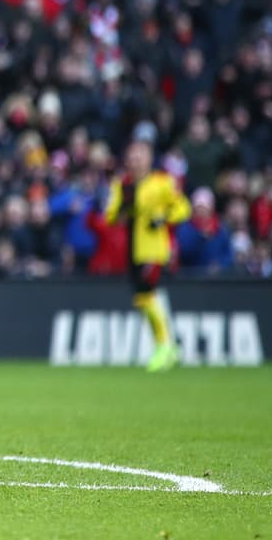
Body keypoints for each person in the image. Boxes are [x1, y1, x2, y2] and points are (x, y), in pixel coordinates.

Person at [103, 139, 191, 372]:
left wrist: (163, 218)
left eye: (140, 155)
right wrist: (122, 208)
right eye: (132, 156)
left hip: (154, 250)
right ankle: (167, 347)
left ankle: (165, 346)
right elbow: (110, 217)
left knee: (147, 295)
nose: (136, 160)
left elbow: (183, 208)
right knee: (142, 299)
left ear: (150, 158)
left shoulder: (162, 183)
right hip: (132, 250)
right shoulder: (121, 185)